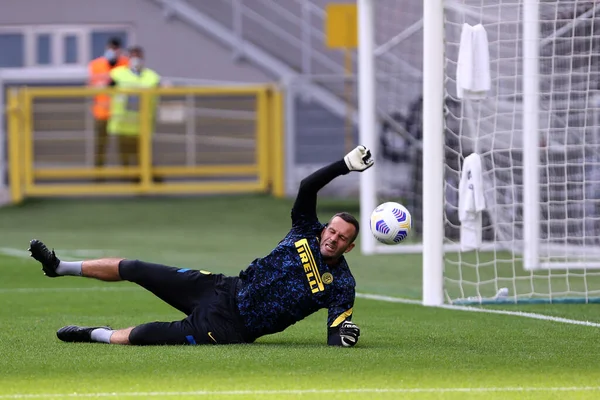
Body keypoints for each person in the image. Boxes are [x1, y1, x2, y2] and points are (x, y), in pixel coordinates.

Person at [28, 145, 374, 347]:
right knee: (135, 268)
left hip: (232, 328)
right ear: (325, 228)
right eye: (332, 230)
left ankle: (92, 334)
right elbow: (307, 187)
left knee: (147, 336)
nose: (333, 238)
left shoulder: (343, 285)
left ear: (350, 247)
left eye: (342, 238)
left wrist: (347, 335)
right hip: (220, 287)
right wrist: (343, 166)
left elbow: (336, 334)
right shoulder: (305, 229)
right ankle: (59, 267)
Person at [106, 46, 161, 174]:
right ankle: (129, 181)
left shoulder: (152, 77)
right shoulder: (117, 74)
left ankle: (148, 181)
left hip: (142, 126)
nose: (136, 59)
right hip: (123, 125)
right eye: (133, 56)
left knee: (143, 157)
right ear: (128, 58)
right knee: (125, 158)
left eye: (139, 56)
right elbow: (107, 90)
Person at [88, 37, 129, 172]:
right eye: (111, 48)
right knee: (100, 145)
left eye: (116, 49)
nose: (113, 51)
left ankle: (127, 172)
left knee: (124, 144)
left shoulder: (125, 64)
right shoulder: (96, 65)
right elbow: (92, 86)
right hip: (102, 112)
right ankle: (98, 173)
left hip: (120, 113)